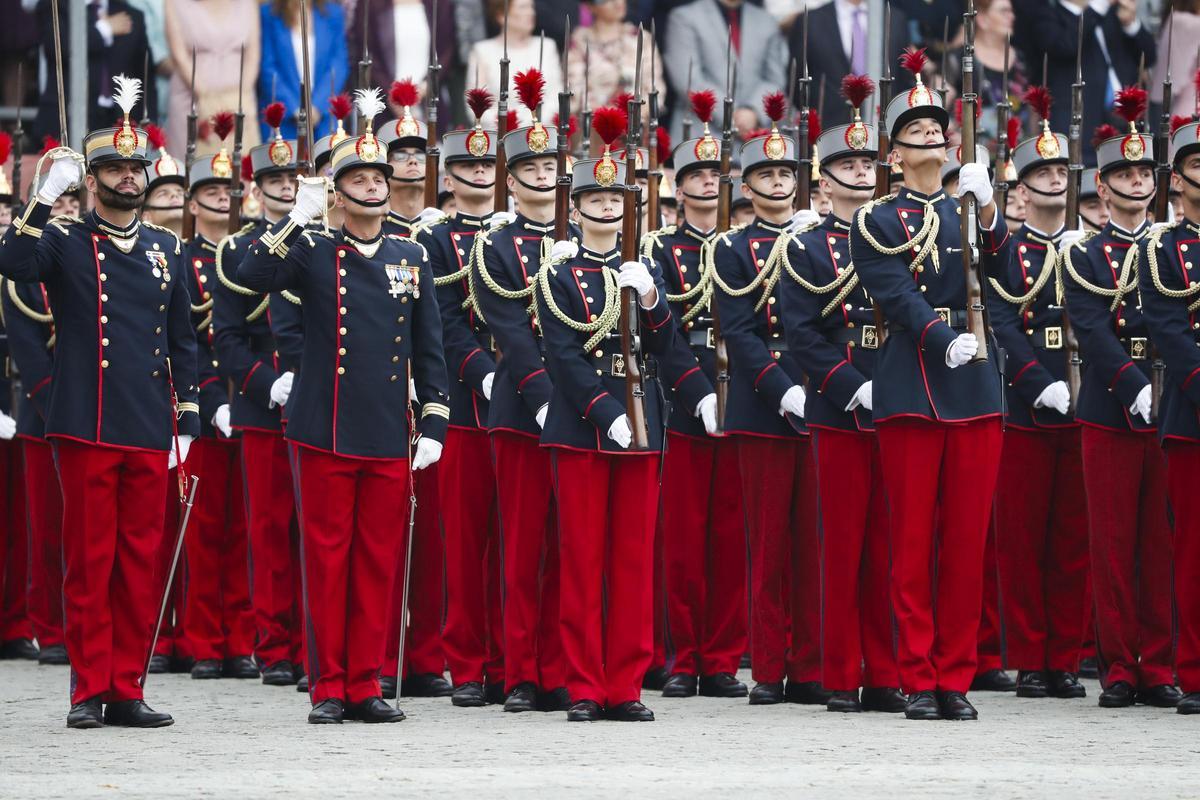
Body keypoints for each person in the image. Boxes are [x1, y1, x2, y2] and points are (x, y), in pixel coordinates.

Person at [238, 87, 450, 724]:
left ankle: (367, 682)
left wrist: (435, 415)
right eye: (358, 177)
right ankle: (329, 685)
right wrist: (293, 220)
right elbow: (250, 275)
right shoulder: (311, 250)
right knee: (327, 562)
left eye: (379, 176)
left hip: (387, 428)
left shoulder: (410, 254)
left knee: (377, 562)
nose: (374, 186)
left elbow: (428, 344)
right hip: (323, 424)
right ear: (338, 190)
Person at [1, 76, 200, 729]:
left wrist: (189, 411)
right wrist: (39, 198)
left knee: (139, 562)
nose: (125, 178)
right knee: (90, 561)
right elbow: (14, 263)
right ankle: (88, 689)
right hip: (85, 418)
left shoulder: (168, 248)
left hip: (145, 419)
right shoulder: (62, 239)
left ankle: (127, 686)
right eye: (112, 168)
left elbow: (182, 340)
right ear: (92, 180)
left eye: (133, 168)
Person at [849, 53, 1009, 721]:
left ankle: (956, 676)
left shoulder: (965, 205)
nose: (932, 140)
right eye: (916, 133)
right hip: (914, 383)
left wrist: (992, 209)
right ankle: (918, 675)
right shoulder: (878, 221)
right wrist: (945, 341)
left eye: (937, 131)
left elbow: (999, 267)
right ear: (893, 154)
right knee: (912, 546)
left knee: (967, 547)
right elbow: (899, 297)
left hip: (973, 389)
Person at [534, 107, 679, 722]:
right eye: (593, 196)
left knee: (630, 562)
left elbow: (669, 349)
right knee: (583, 560)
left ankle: (626, 683)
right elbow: (563, 357)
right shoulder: (557, 272)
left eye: (614, 196)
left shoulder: (646, 265)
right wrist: (602, 412)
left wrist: (651, 298)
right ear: (578, 205)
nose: (605, 206)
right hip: (585, 427)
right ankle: (584, 684)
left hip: (642, 418)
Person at [779, 77, 906, 714]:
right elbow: (800, 332)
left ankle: (886, 673)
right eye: (845, 165)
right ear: (821, 180)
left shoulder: (907, 231)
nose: (858, 174)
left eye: (866, 163)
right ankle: (838, 673)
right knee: (841, 545)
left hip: (906, 401)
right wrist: (852, 388)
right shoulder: (803, 245)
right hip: (842, 406)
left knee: (892, 545)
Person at [1060, 96, 1178, 710]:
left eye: (1145, 175)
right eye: (1126, 176)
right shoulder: (1081, 252)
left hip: (1173, 402)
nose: (1138, 183)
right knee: (1111, 543)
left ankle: (1160, 664)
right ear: (1102, 189)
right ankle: (1119, 667)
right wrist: (1135, 387)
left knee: (1160, 543)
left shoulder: (1172, 247)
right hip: (1111, 406)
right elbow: (1091, 329)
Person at [711, 94, 824, 708]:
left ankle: (811, 666)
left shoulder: (820, 239)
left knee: (814, 543)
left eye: (785, 174)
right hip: (762, 406)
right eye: (765, 175)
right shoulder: (731, 248)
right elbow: (740, 332)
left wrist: (821, 389)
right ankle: (770, 669)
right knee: (768, 543)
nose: (777, 183)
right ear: (747, 187)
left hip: (825, 397)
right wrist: (784, 392)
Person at [642, 90, 746, 701]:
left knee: (730, 537)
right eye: (696, 176)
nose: (708, 184)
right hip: (681, 397)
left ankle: (723, 659)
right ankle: (681, 656)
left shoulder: (744, 246)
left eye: (715, 174)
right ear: (677, 189)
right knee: (681, 540)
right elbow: (664, 334)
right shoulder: (659, 248)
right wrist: (695, 389)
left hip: (742, 391)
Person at [471, 75, 570, 712]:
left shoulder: (584, 238)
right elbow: (508, 328)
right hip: (521, 407)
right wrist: (539, 394)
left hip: (584, 409)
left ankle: (557, 668)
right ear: (510, 180)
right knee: (520, 544)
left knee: (566, 549)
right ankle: (518, 670)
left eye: (548, 165)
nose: (539, 175)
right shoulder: (495, 245)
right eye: (527, 166)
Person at [987, 88, 1090, 700]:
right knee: (1023, 539)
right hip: (1027, 408)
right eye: (1040, 173)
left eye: (1060, 170)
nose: (1052, 180)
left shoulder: (1091, 249)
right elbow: (998, 319)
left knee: (1073, 540)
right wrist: (1036, 382)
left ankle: (1066, 657)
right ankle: (1030, 657)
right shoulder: (1010, 252)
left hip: (1087, 404)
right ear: (1020, 190)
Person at [413, 89, 506, 707]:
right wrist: (483, 371)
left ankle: (513, 662)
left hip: (530, 401)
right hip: (469, 408)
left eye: (487, 166)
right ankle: (468, 664)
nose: (479, 174)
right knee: (464, 543)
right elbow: (442, 323)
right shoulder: (436, 240)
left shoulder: (526, 234)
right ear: (448, 176)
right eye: (468, 167)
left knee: (516, 541)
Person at [212, 104, 304, 688]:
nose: (286, 188)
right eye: (275, 181)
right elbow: (227, 336)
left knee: (314, 532)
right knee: (269, 530)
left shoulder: (324, 240)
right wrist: (268, 384)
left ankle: (314, 643)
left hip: (322, 398)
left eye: (293, 179)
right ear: (256, 188)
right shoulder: (236, 251)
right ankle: (275, 646)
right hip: (266, 400)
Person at [376, 85, 452, 701]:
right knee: (377, 539)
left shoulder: (445, 233)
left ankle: (424, 655)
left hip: (428, 392)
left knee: (430, 538)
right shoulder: (362, 231)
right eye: (397, 153)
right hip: (372, 391)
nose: (408, 162)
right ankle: (375, 657)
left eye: (418, 152)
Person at [178, 129, 257, 681]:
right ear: (192, 201)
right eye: (210, 190)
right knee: (205, 533)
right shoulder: (181, 260)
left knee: (248, 531)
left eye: (228, 190)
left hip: (250, 401)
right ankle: (205, 641)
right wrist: (208, 401)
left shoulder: (251, 255)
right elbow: (186, 340)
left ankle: (242, 639)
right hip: (209, 407)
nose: (221, 200)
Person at [1139, 117, 1200, 715]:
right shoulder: (1160, 247)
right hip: (1193, 413)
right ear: (1176, 180)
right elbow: (1169, 329)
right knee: (1194, 554)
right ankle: (1196, 671)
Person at [1030, 0, 1155, 163]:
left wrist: (1130, 24)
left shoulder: (1110, 14)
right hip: (1082, 122)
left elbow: (1149, 57)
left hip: (1125, 118)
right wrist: (1097, 7)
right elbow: (1065, 46)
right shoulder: (1047, 14)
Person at [664, 0, 787, 142]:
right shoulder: (684, 17)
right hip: (699, 140)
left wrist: (754, 112)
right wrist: (731, 116)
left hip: (754, 142)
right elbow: (687, 80)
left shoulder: (766, 20)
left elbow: (775, 79)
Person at [33, 0, 158, 139]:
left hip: (120, 124)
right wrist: (104, 29)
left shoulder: (131, 15)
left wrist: (149, 122)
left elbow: (145, 77)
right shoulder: (55, 5)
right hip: (67, 120)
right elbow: (58, 47)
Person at [789, 0, 913, 128]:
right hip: (829, 131)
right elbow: (796, 84)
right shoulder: (810, 21)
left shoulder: (895, 19)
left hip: (884, 128)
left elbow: (903, 79)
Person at [163, 0, 260, 161]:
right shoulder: (175, 3)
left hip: (240, 100)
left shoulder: (248, 3)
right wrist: (207, 98)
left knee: (241, 167)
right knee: (193, 169)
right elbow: (179, 55)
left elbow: (253, 53)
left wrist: (241, 96)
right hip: (192, 99)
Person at [257, 0, 348, 141]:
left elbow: (338, 63)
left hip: (324, 119)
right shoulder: (268, 14)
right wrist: (296, 109)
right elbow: (268, 67)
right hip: (284, 122)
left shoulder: (333, 13)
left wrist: (317, 106)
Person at [466, 0, 564, 128]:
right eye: (523, 7)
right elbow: (475, 107)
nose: (531, 12)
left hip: (541, 134)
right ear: (502, 15)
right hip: (499, 136)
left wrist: (531, 122)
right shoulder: (482, 51)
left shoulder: (547, 46)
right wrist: (510, 123)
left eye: (531, 7)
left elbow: (556, 98)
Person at [565, 0, 662, 116]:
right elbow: (575, 91)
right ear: (590, 6)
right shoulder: (579, 41)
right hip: (593, 126)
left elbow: (654, 88)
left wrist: (633, 116)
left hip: (636, 124)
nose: (618, 2)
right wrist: (608, 117)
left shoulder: (641, 38)